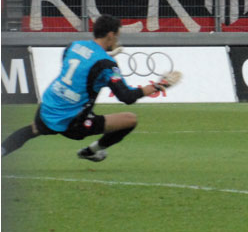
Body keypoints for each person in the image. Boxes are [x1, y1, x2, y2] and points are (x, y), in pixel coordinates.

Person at [1, 15, 182, 162]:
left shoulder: (75, 45)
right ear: (110, 35)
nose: (117, 39)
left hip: (48, 106)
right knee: (130, 119)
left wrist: (103, 56)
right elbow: (126, 96)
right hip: (73, 121)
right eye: (117, 36)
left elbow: (78, 66)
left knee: (33, 130)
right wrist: (160, 85)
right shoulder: (106, 64)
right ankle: (92, 151)